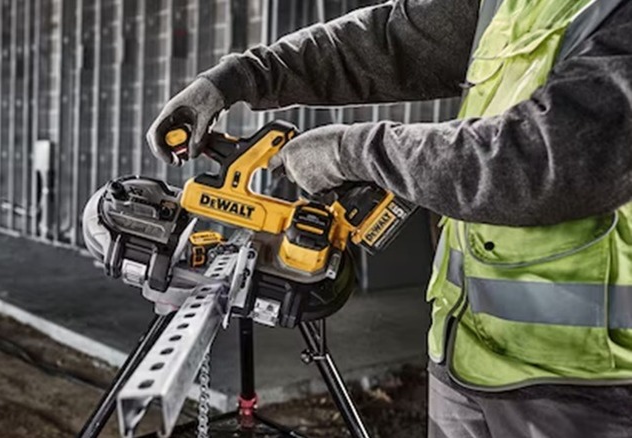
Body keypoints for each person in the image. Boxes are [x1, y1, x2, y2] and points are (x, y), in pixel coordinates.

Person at [146, 1, 632, 437]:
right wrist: (236, 79)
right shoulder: (508, 6)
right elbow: (379, 42)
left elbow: (540, 162)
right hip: (462, 357)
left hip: (585, 387)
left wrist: (351, 153)